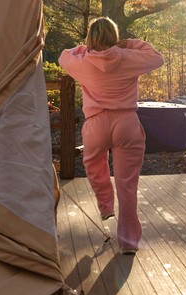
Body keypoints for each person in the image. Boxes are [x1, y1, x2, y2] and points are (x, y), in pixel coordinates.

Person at [58, 17, 164, 254]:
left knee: (94, 165)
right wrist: (128, 44)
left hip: (96, 124)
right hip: (126, 122)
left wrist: (87, 47)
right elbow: (157, 57)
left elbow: (63, 56)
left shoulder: (83, 60)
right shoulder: (127, 57)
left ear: (90, 38)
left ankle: (106, 205)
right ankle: (128, 242)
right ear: (114, 36)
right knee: (127, 184)